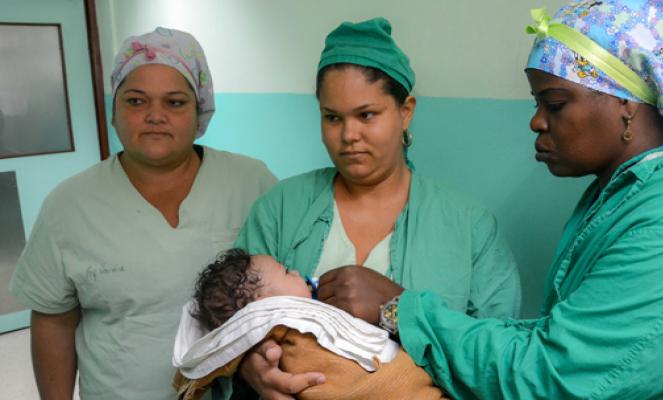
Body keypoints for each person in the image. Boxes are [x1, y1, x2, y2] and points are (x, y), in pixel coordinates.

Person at [359, 1, 663, 399]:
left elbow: (554, 378)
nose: (536, 121)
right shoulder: (630, 191)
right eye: (537, 102)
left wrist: (401, 311)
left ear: (625, 103)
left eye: (555, 103)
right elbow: (564, 339)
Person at [230, 17, 523, 398]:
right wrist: (254, 368)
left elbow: (501, 356)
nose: (349, 136)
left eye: (366, 115)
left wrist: (396, 307)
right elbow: (229, 321)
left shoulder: (469, 226)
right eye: (332, 117)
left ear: (405, 112)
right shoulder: (280, 210)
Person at [9, 27, 277, 400]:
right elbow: (54, 320)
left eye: (175, 102)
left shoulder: (251, 182)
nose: (155, 116)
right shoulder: (69, 205)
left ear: (200, 109)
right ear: (114, 112)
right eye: (136, 101)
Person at [171, 249, 446, 400]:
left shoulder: (310, 317)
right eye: (283, 270)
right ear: (262, 303)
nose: (294, 271)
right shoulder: (291, 335)